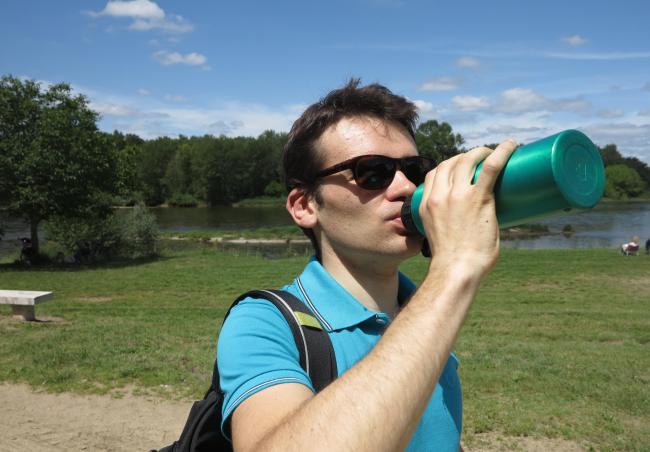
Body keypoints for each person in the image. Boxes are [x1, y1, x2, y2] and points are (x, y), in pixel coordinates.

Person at [216, 79, 518, 451]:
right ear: (305, 205)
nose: (406, 187)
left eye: (414, 169)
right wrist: (454, 269)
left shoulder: (423, 312)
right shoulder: (264, 323)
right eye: (372, 172)